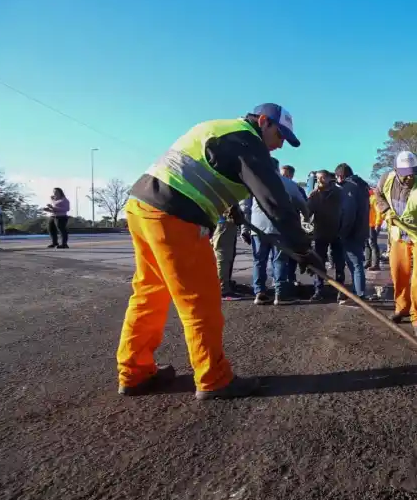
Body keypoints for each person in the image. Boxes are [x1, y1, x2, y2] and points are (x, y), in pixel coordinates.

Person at [115, 103, 321, 401]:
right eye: (280, 135)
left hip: (142, 207)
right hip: (176, 216)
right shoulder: (248, 141)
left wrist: (233, 208)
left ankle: (134, 372)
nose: (279, 146)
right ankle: (213, 379)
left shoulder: (219, 129)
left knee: (149, 292)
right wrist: (302, 249)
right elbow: (274, 202)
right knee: (200, 301)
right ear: (263, 122)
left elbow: (205, 169)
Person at [374, 151, 417, 337]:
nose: (409, 177)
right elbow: (378, 195)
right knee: (399, 274)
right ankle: (402, 308)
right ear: (396, 171)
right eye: (405, 173)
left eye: (413, 172)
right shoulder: (386, 179)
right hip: (398, 235)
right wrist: (386, 210)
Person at [243, 161, 311, 305]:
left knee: (259, 261)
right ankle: (279, 294)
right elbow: (302, 204)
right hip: (280, 228)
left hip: (258, 227)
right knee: (279, 260)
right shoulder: (289, 184)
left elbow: (245, 205)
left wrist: (246, 225)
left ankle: (259, 292)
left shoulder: (254, 181)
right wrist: (305, 219)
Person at [335, 163, 371, 304]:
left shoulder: (349, 187)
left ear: (340, 175)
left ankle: (358, 295)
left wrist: (342, 231)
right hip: (361, 230)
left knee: (355, 263)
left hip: (352, 231)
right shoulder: (362, 186)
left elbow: (349, 212)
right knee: (357, 263)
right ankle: (358, 293)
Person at [306, 169, 345, 301]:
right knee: (319, 263)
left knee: (339, 263)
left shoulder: (339, 193)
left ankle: (341, 290)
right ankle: (318, 290)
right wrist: (307, 231)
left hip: (337, 233)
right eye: (317, 178)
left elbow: (346, 211)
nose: (319, 180)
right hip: (320, 233)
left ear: (329, 178)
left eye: (322, 178)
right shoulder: (314, 195)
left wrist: (344, 228)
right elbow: (307, 214)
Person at [212, 208, 242, 300]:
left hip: (225, 223)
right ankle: (223, 290)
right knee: (223, 258)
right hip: (224, 223)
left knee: (225, 258)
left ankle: (224, 286)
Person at [364, 186, 383, 271]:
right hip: (365, 225)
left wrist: (378, 224)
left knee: (372, 244)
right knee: (366, 244)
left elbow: (379, 212)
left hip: (372, 225)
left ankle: (375, 264)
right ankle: (368, 262)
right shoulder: (365, 198)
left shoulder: (374, 198)